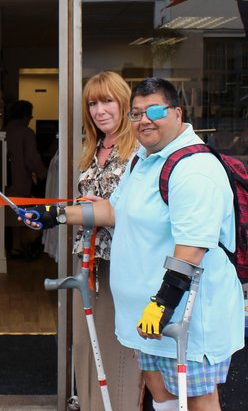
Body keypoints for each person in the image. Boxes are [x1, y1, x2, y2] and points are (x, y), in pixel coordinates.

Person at [25, 78, 243, 411]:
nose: (145, 119)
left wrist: (163, 302)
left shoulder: (194, 167)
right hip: (144, 318)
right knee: (163, 397)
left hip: (182, 317)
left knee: (198, 400)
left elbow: (193, 246)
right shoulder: (142, 160)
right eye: (137, 113)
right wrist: (55, 215)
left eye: (155, 110)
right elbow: (113, 210)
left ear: (177, 113)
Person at [72, 71, 143, 410]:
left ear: (124, 103)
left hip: (125, 264)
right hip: (88, 263)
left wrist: (63, 215)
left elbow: (135, 212)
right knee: (86, 345)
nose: (99, 110)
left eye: (107, 101)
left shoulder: (140, 152)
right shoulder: (91, 149)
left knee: (120, 351)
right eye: (92, 103)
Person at [4, 99, 49, 258]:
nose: (31, 118)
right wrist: (44, 173)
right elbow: (32, 159)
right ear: (25, 115)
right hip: (20, 178)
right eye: (30, 115)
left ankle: (13, 245)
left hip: (5, 179)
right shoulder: (26, 132)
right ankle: (18, 246)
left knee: (8, 211)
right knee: (19, 211)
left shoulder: (4, 130)